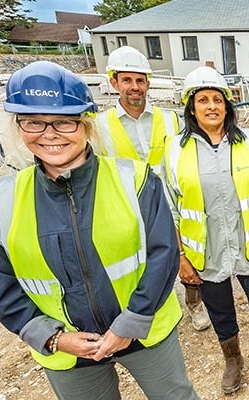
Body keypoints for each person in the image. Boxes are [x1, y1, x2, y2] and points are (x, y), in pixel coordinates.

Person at [0, 61, 198, 399]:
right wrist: (51, 337)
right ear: (19, 125)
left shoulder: (136, 180)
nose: (49, 134)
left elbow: (163, 253)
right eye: (34, 122)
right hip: (67, 348)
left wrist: (133, 321)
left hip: (144, 330)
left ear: (85, 125)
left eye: (64, 122)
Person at [162, 66, 249, 396]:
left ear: (227, 105)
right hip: (205, 256)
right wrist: (181, 256)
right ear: (191, 108)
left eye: (217, 99)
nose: (211, 106)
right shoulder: (175, 150)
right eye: (202, 100)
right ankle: (233, 360)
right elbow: (170, 210)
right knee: (220, 312)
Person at [96, 45, 210, 332]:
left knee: (186, 252)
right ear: (114, 82)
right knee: (143, 262)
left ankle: (194, 304)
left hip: (171, 202)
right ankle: (151, 308)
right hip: (129, 207)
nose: (134, 87)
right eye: (127, 80)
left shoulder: (170, 119)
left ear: (148, 83)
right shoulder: (100, 126)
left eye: (139, 80)